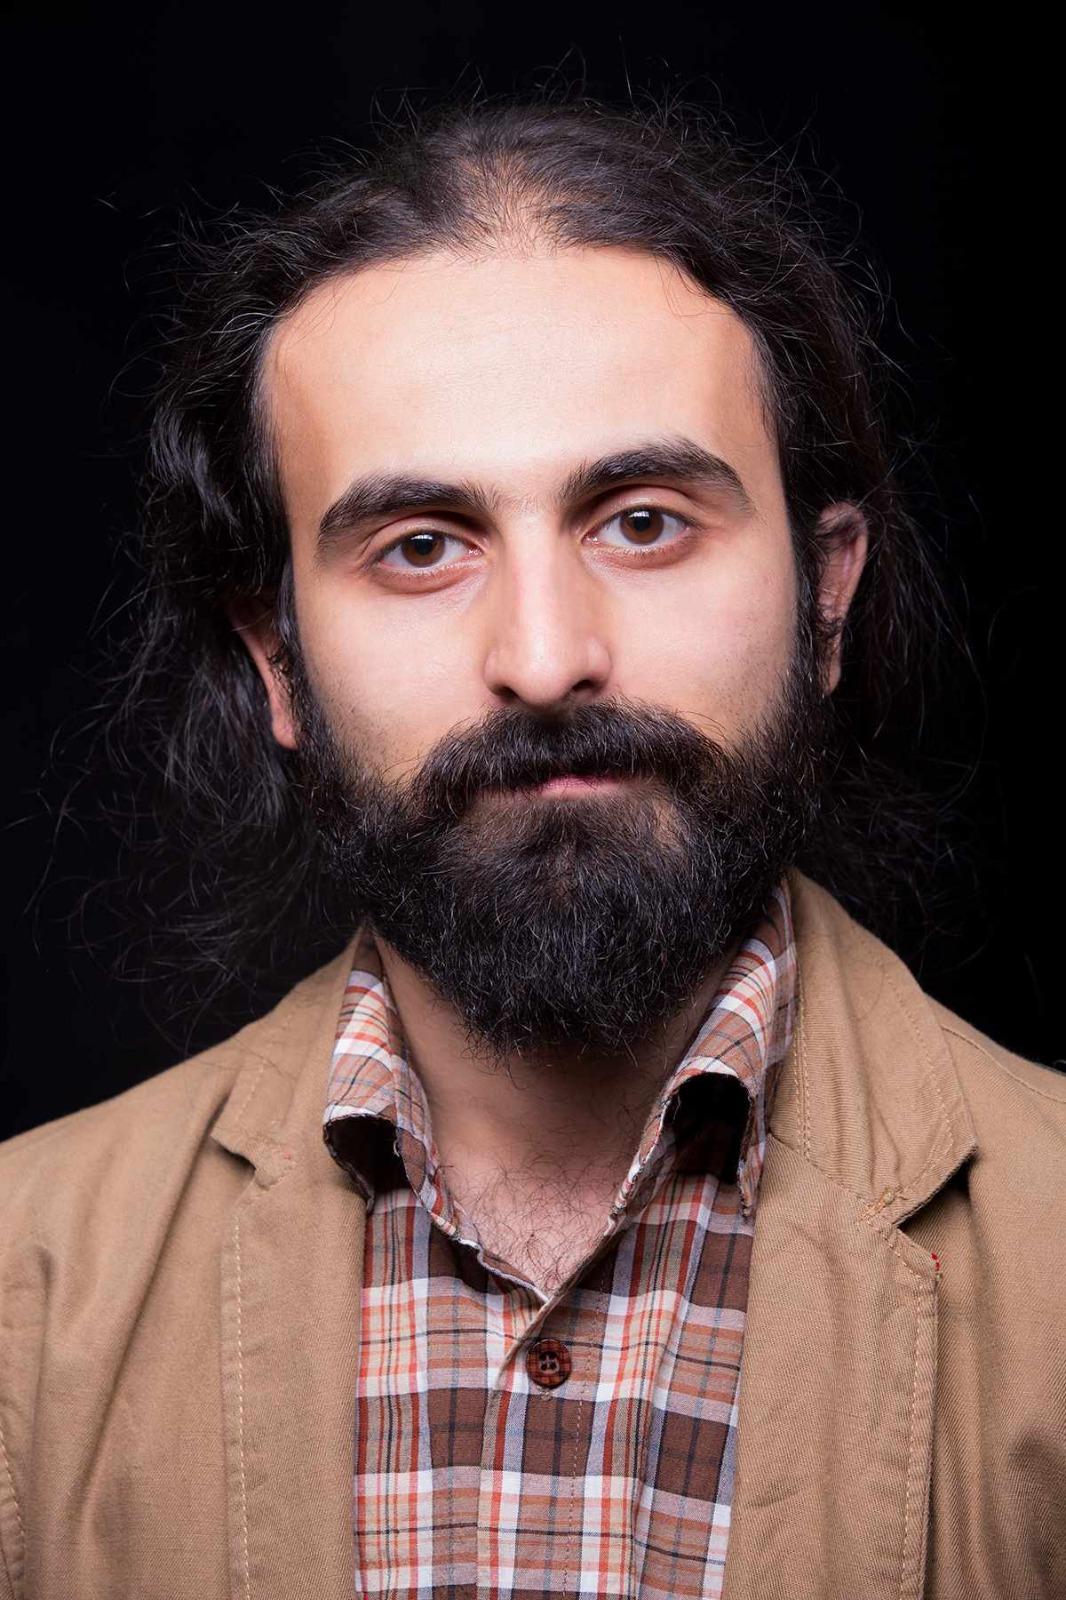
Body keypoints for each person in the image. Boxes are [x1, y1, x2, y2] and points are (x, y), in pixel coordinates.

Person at [0, 92, 1062, 1600]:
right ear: (278, 664)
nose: (546, 657)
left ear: (827, 599)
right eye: (422, 547)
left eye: (642, 521)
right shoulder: (23, 1290)